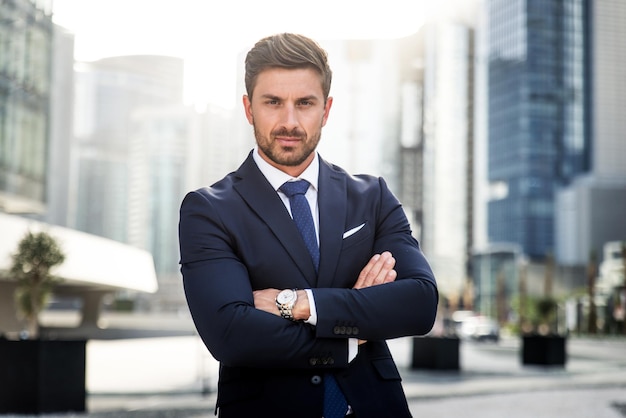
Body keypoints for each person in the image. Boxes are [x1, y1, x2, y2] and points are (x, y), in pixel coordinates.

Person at [179, 33, 438, 418]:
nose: (289, 121)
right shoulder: (209, 210)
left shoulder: (372, 197)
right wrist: (352, 334)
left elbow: (418, 302)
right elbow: (233, 335)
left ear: (326, 109)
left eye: (304, 104)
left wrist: (298, 304)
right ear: (249, 108)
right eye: (273, 103)